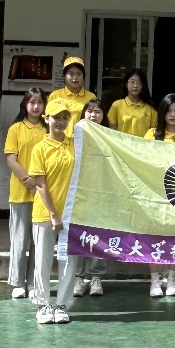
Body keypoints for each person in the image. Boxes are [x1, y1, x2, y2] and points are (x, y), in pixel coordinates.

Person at [28, 98, 82, 325]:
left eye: (64, 118)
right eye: (56, 117)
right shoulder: (40, 149)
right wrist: (53, 214)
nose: (60, 122)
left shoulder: (74, 145)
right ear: (46, 118)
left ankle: (61, 305)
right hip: (45, 214)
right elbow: (40, 184)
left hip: (71, 214)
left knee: (69, 261)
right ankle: (43, 305)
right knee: (42, 260)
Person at [3, 87, 47, 299]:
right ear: (25, 105)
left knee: (39, 240)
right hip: (21, 191)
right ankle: (18, 282)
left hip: (43, 192)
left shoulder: (48, 129)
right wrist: (28, 181)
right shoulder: (16, 129)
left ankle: (34, 282)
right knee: (20, 240)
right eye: (32, 102)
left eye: (40, 102)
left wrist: (38, 183)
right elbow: (11, 159)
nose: (36, 106)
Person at [145, 93, 175, 298]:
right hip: (154, 191)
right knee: (153, 236)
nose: (172, 114)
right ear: (162, 113)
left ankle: (171, 279)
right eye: (169, 110)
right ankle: (155, 280)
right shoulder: (151, 134)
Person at [71, 98, 108, 298]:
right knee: (79, 234)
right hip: (79, 192)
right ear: (84, 113)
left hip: (101, 193)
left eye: (98, 111)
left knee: (99, 235)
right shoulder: (75, 133)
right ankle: (78, 277)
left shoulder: (109, 136)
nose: (93, 115)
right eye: (90, 111)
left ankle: (96, 277)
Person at [47, 56, 96, 138]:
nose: (75, 77)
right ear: (64, 76)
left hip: (82, 141)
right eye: (71, 74)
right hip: (60, 141)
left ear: (83, 76)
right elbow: (48, 121)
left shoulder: (91, 97)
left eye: (79, 74)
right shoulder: (55, 95)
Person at [108, 68, 155, 138]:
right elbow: (111, 130)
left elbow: (154, 132)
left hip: (142, 144)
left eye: (139, 83)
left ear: (143, 86)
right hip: (121, 144)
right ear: (126, 84)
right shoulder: (117, 105)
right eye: (132, 82)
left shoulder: (150, 108)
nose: (135, 86)